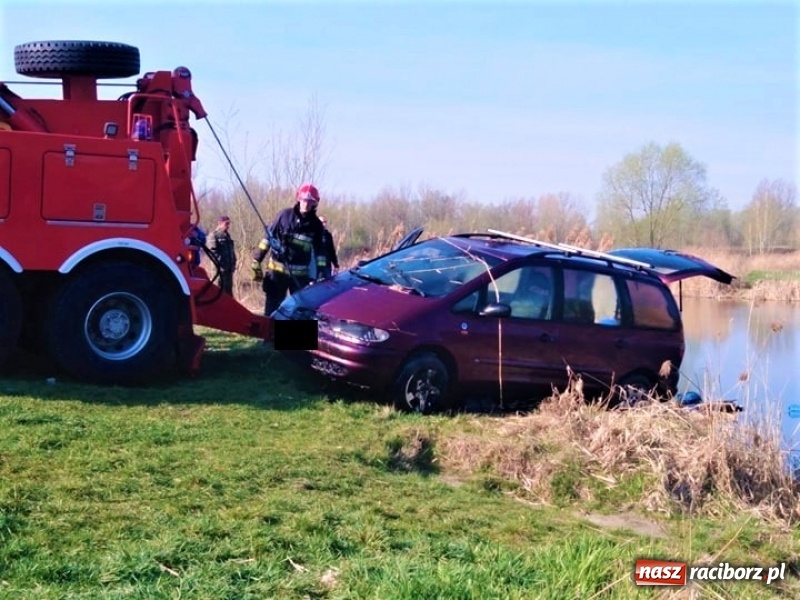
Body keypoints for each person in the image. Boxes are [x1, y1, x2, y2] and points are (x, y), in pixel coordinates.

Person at [251, 183, 328, 316]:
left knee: (300, 309)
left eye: (310, 201)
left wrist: (321, 273)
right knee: (273, 307)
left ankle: (293, 337)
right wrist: (257, 258)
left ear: (315, 203)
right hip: (277, 273)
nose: (306, 204)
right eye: (304, 200)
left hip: (299, 276)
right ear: (298, 199)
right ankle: (269, 336)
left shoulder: (316, 225)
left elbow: (320, 251)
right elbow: (268, 238)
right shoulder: (284, 215)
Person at [210, 215, 237, 295]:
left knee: (228, 294)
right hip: (220, 271)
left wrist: (233, 262)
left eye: (229, 224)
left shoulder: (227, 236)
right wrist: (221, 264)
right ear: (220, 223)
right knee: (219, 292)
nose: (228, 226)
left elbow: (231, 251)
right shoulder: (214, 236)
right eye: (226, 224)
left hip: (229, 270)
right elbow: (212, 253)